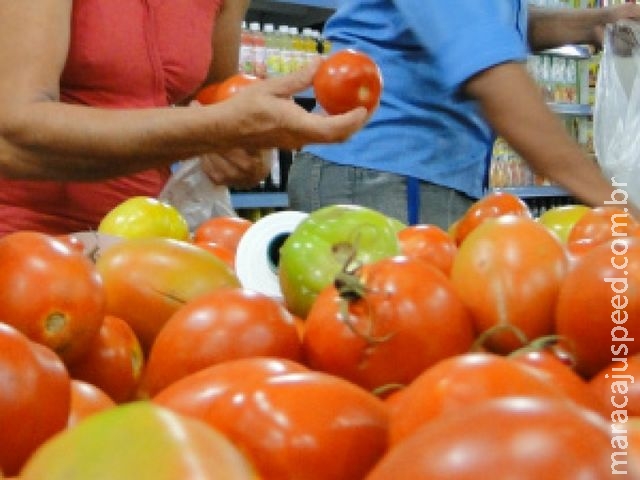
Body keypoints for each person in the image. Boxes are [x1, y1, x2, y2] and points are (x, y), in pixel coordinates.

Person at [0, 0, 367, 236]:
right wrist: (217, 128)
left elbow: (216, 96)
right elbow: (13, 139)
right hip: (21, 238)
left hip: (143, 237)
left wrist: (244, 148)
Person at [288, 1, 640, 229]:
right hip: (386, 173)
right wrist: (619, 207)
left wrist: (595, 22)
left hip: (401, 174)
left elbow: (499, 25)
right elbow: (492, 77)